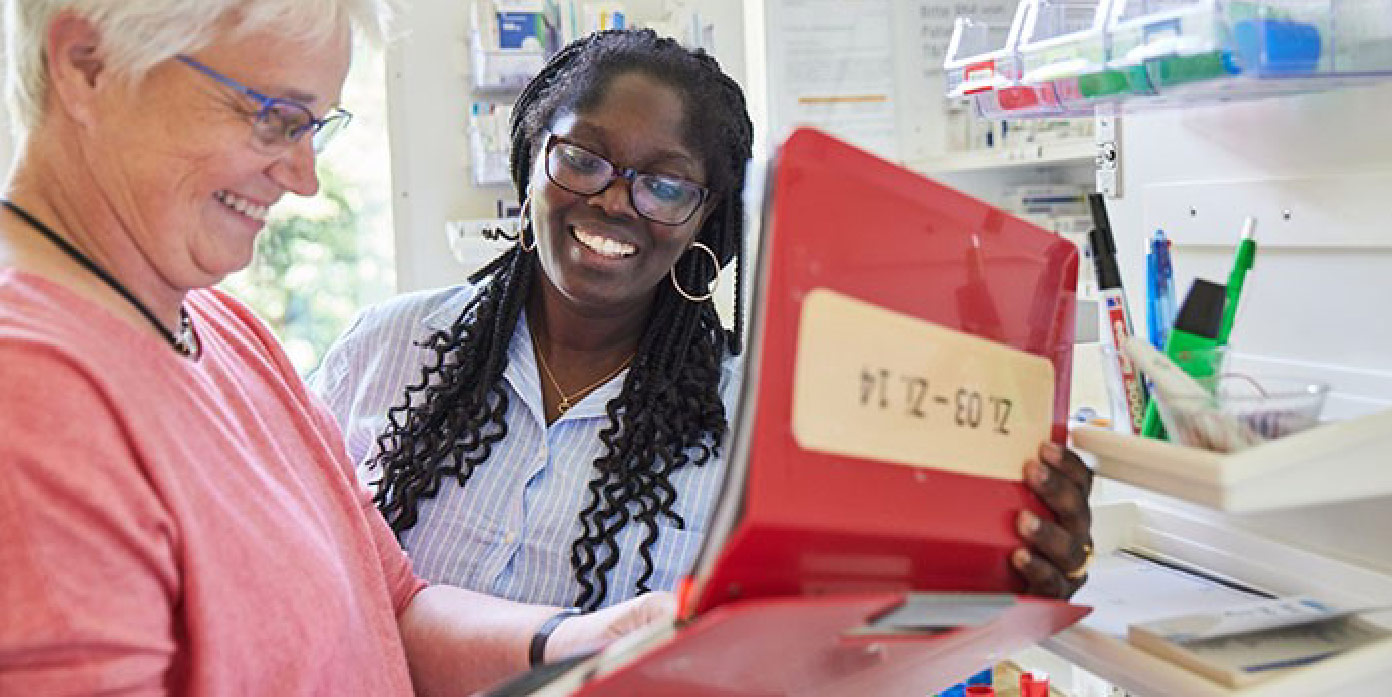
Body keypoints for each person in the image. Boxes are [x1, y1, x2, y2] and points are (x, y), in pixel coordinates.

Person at [0, 3, 669, 696]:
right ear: (87, 66)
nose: (302, 177)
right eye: (272, 118)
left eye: (313, 128)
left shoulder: (223, 328)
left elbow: (393, 606)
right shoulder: (31, 391)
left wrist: (586, 640)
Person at [311, 28, 1097, 616]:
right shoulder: (386, 349)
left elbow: (837, 639)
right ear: (529, 165)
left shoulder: (757, 428)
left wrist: (1013, 565)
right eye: (582, 159)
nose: (615, 201)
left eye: (664, 185)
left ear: (704, 218)